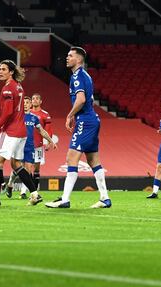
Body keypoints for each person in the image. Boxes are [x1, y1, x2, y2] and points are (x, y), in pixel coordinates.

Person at [45, 47, 111, 209]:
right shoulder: (84, 75)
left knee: (71, 158)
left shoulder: (78, 76)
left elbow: (81, 99)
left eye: (70, 56)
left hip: (85, 121)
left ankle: (65, 199)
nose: (67, 58)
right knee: (93, 160)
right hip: (92, 120)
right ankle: (105, 198)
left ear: (79, 60)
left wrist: (70, 115)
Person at [0, 60, 41, 206]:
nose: (0, 71)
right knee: (16, 164)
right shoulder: (19, 86)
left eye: (3, 69)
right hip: (22, 131)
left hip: (11, 131)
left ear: (11, 72)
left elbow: (8, 112)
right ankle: (35, 194)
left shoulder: (8, 88)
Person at [16, 96, 56, 199]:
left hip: (32, 146)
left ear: (30, 105)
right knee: (17, 168)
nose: (25, 104)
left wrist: (51, 141)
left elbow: (43, 130)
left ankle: (30, 193)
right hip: (19, 145)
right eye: (24, 102)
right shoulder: (17, 116)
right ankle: (11, 184)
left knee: (30, 169)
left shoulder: (35, 118)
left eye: (27, 102)